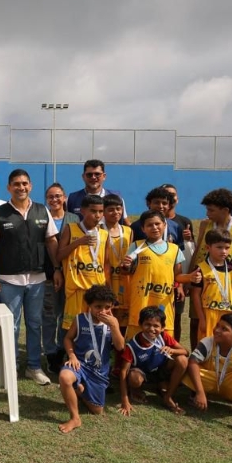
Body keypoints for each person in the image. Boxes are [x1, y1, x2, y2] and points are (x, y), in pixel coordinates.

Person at [0, 169, 60, 385]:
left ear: (31, 186)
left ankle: (34, 366)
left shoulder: (41, 210)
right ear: (9, 187)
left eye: (25, 183)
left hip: (37, 280)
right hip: (9, 280)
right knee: (12, 325)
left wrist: (56, 269)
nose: (21, 187)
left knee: (35, 324)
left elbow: (51, 241)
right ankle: (11, 365)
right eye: (16, 184)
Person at [57, 285, 125, 433]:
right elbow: (68, 339)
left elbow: (120, 347)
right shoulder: (80, 319)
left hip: (99, 371)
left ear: (112, 306)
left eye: (107, 307)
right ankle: (75, 418)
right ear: (89, 305)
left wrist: (114, 327)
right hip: (79, 364)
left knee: (97, 410)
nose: (102, 311)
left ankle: (79, 390)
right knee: (65, 377)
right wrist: (72, 355)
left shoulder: (113, 323)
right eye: (98, 306)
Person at [118, 211, 194, 342]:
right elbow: (126, 271)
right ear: (143, 228)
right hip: (141, 302)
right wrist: (125, 266)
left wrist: (190, 277)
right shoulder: (136, 246)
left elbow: (177, 276)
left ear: (165, 225)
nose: (154, 227)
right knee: (136, 342)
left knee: (165, 343)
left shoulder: (174, 249)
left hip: (163, 302)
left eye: (157, 224)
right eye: (149, 225)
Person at [176, 313, 232, 430]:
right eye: (218, 326)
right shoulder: (208, 342)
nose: (217, 330)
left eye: (224, 329)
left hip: (227, 382)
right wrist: (200, 392)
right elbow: (193, 362)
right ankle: (196, 393)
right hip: (209, 379)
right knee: (188, 366)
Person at [117, 306, 188, 416]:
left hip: (160, 370)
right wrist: (124, 401)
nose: (151, 329)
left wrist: (172, 350)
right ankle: (135, 390)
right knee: (134, 378)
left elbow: (185, 351)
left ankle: (168, 396)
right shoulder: (133, 345)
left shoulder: (163, 336)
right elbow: (123, 372)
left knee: (182, 360)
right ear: (140, 324)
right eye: (147, 324)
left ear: (163, 327)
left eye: (156, 326)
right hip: (143, 374)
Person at [57, 195, 110, 336]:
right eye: (93, 211)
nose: (97, 215)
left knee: (96, 326)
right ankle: (70, 356)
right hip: (76, 288)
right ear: (82, 211)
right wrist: (78, 242)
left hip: (96, 289)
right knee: (73, 328)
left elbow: (105, 264)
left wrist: (107, 286)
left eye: (100, 211)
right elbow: (59, 255)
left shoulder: (104, 234)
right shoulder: (71, 228)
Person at [43, 183, 80, 370]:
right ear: (46, 200)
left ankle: (61, 349)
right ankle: (50, 353)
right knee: (49, 315)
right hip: (49, 276)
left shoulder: (75, 219)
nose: (54, 200)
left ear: (64, 197)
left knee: (67, 316)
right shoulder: (41, 218)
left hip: (73, 277)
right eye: (50, 197)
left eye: (58, 196)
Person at [189, 229, 232, 342]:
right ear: (208, 248)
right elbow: (196, 295)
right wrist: (202, 319)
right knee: (208, 349)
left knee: (228, 348)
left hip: (230, 315)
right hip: (209, 315)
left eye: (227, 248)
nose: (223, 251)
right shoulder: (201, 269)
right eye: (219, 247)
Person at [158, 183, 193, 343]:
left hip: (175, 278)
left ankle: (174, 347)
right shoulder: (148, 221)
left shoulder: (183, 222)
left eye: (172, 195)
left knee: (175, 316)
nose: (168, 198)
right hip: (153, 278)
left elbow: (185, 251)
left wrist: (180, 283)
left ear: (176, 199)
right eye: (165, 194)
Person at [66, 160, 129, 224]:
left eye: (97, 174)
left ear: (104, 176)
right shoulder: (72, 199)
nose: (93, 177)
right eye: (89, 174)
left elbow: (125, 222)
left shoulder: (116, 197)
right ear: (83, 177)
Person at [102, 194, 132, 332]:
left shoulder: (128, 231)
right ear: (103, 211)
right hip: (106, 279)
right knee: (106, 315)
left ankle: (120, 350)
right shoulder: (99, 230)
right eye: (111, 209)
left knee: (124, 317)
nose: (116, 212)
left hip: (124, 279)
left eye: (119, 209)